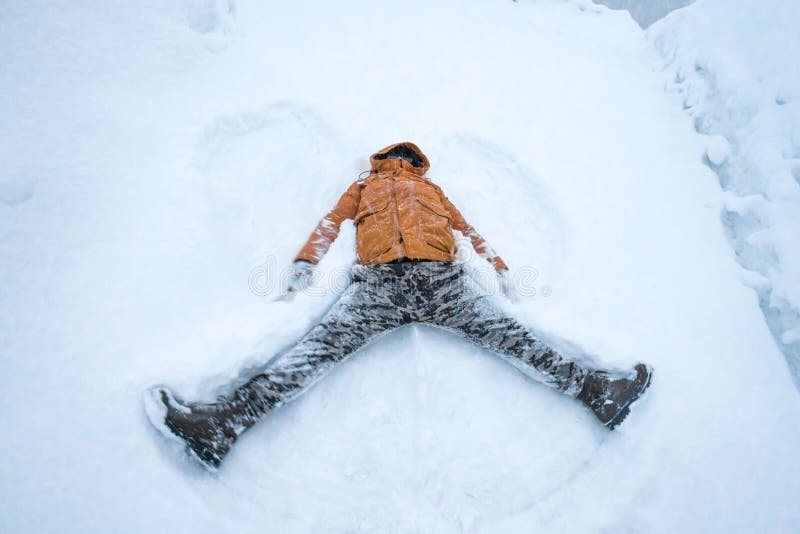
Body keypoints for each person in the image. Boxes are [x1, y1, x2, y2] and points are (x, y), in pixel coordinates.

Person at [144, 142, 653, 469]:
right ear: (386, 158)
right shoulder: (364, 186)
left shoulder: (433, 189)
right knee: (313, 354)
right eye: (400, 157)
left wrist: (497, 264)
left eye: (412, 158)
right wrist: (306, 261)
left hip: (443, 283)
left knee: (513, 339)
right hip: (378, 288)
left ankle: (598, 393)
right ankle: (221, 426)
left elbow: (467, 229)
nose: (406, 162)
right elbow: (330, 222)